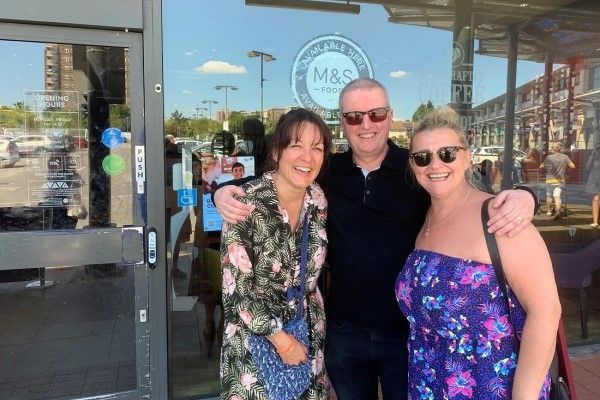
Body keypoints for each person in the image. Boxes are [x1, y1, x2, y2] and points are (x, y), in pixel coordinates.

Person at [214, 78, 536, 400]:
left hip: (405, 332)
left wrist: (525, 195)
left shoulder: (417, 167)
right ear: (343, 123)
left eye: (376, 114)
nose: (365, 124)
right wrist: (222, 192)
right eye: (354, 116)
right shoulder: (326, 171)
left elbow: (469, 197)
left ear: (389, 115)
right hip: (344, 332)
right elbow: (287, 174)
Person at [396, 107, 561, 399]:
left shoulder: (500, 217)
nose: (435, 164)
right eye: (422, 157)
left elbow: (546, 312)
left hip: (490, 385)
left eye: (447, 153)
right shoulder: (425, 219)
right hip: (429, 380)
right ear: (413, 165)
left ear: (467, 156)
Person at [219, 108, 332, 400]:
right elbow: (237, 293)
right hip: (256, 346)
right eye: (296, 145)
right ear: (278, 151)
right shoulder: (247, 203)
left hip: (307, 339)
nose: (307, 157)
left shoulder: (317, 200)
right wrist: (283, 343)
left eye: (316, 148)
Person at [540, 143, 575, 217]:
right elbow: (573, 166)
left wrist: (546, 167)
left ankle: (549, 211)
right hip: (560, 181)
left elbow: (541, 166)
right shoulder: (565, 157)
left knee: (549, 196)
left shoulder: (549, 157)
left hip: (550, 180)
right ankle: (558, 211)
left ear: (553, 149)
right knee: (557, 196)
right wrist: (566, 172)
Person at [585, 136, 600, 228]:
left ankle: (595, 221)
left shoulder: (595, 157)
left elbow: (587, 167)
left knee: (596, 201)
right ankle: (595, 221)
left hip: (594, 180)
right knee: (596, 200)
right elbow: (587, 167)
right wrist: (592, 155)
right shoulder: (595, 157)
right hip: (595, 180)